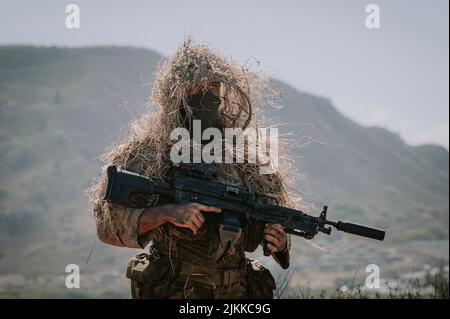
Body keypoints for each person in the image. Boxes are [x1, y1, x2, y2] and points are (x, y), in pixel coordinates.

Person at [89, 38, 297, 299]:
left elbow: (277, 217)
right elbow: (107, 227)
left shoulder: (252, 156)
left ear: (224, 93)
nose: (205, 92)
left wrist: (279, 241)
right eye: (195, 85)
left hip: (236, 293)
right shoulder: (148, 152)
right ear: (176, 91)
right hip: (172, 289)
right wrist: (166, 213)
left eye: (213, 86)